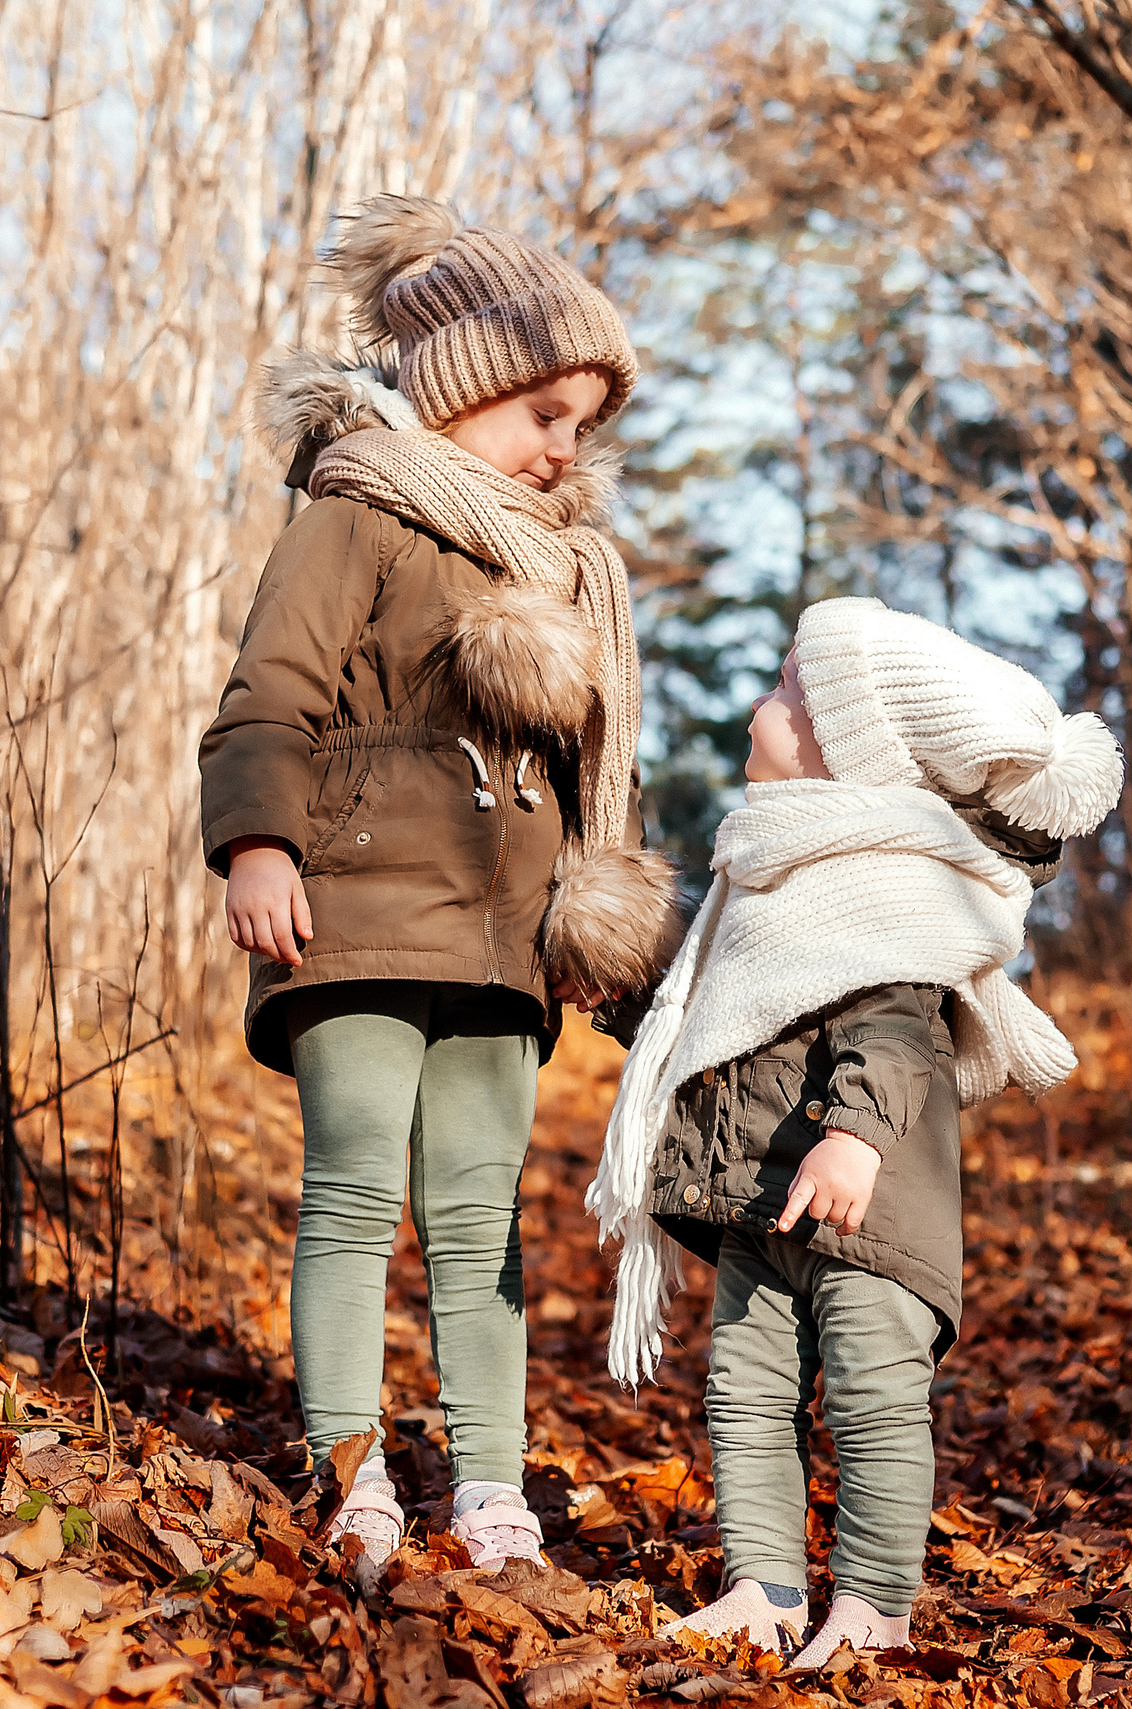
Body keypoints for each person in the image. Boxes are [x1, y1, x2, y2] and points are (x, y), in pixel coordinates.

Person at [200, 196, 677, 1578]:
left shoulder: (571, 572)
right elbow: (264, 701)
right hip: (347, 915)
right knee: (353, 1191)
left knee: (480, 1221)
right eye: (543, 411)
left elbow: (594, 765)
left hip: (501, 942)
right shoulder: (355, 515)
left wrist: (591, 910)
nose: (563, 448)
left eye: (585, 423)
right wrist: (258, 845)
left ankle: (487, 1485)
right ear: (461, 391)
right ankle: (352, 1471)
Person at [585, 597, 1123, 1663]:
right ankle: (766, 1584)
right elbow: (716, 1017)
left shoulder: (883, 882)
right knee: (744, 1385)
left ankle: (874, 1602)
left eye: (789, 690)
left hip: (868, 1203)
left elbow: (896, 1024)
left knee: (874, 1395)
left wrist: (855, 1135)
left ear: (848, 745)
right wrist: (612, 993)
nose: (761, 700)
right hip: (759, 1191)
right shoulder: (768, 864)